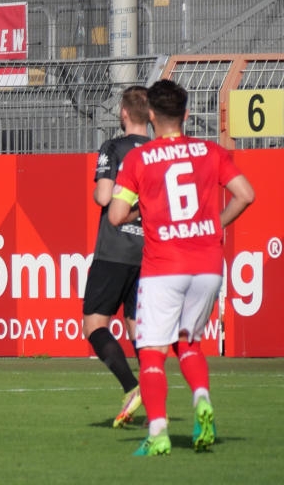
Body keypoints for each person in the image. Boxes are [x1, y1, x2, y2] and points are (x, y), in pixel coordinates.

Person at [109, 79, 255, 456]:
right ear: (187, 114)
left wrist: (146, 207)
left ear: (152, 116)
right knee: (189, 341)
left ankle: (158, 432)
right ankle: (202, 400)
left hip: (164, 265)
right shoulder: (211, 151)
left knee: (154, 349)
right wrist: (214, 225)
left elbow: (116, 215)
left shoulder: (139, 159)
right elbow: (246, 195)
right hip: (207, 264)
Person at [84, 86, 151, 428]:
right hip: (149, 250)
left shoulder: (114, 147)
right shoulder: (160, 151)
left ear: (124, 113)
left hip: (114, 248)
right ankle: (153, 392)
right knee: (137, 325)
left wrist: (99, 186)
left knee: (94, 323)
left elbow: (104, 197)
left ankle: (132, 387)